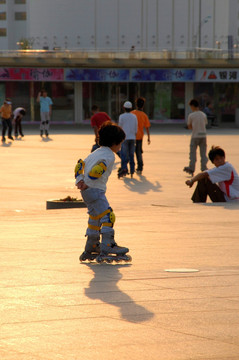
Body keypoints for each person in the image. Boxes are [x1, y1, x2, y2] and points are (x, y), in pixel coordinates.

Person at [75, 121, 131, 263]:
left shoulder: (94, 153)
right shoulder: (109, 155)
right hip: (95, 190)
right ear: (114, 142)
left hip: (86, 191)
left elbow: (80, 166)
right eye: (119, 144)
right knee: (108, 216)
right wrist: (90, 181)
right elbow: (98, 170)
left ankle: (92, 246)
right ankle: (108, 245)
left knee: (95, 217)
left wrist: (80, 181)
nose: (120, 147)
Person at [183, 98, 208, 176]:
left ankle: (191, 168)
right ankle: (204, 168)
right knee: (203, 153)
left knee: (193, 153)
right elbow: (205, 123)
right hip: (203, 135)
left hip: (195, 136)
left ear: (192, 106)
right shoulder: (203, 114)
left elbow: (190, 126)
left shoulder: (191, 115)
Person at [131, 97, 151, 175]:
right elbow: (147, 128)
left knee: (131, 152)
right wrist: (148, 138)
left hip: (131, 136)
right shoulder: (144, 115)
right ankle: (140, 167)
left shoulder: (132, 113)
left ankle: (131, 167)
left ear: (136, 105)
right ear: (143, 106)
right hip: (139, 137)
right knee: (138, 152)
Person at [118, 101, 138, 178]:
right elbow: (136, 128)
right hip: (132, 138)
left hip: (124, 138)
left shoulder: (121, 116)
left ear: (124, 108)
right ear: (131, 108)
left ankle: (124, 169)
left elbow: (120, 127)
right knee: (131, 155)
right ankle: (132, 170)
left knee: (124, 155)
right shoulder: (134, 116)